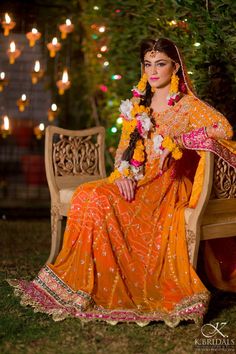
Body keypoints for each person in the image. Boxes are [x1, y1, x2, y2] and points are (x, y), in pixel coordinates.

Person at [8, 38, 236, 327]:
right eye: (148, 64)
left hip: (166, 185)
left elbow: (224, 127)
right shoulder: (138, 102)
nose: (153, 70)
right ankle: (83, 282)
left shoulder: (188, 105)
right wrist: (123, 174)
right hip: (135, 178)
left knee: (99, 199)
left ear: (175, 66)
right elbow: (121, 150)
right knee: (88, 194)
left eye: (161, 63)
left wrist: (180, 141)